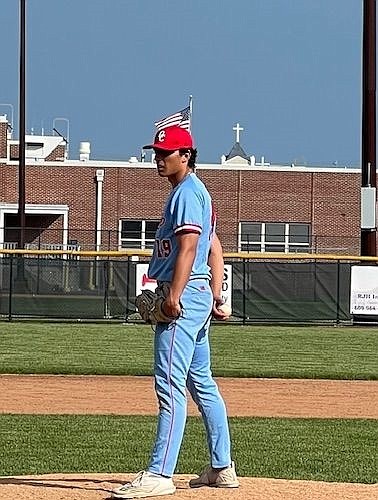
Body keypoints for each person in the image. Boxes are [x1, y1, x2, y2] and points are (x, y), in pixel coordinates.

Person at [112, 125, 238, 499]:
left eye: (166, 153)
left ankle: (160, 473)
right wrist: (215, 295)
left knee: (169, 384)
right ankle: (222, 466)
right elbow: (214, 246)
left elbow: (188, 249)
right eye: (157, 153)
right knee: (202, 384)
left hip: (183, 297)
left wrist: (175, 296)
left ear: (186, 155)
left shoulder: (186, 192)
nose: (159, 159)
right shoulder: (198, 193)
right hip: (198, 294)